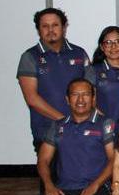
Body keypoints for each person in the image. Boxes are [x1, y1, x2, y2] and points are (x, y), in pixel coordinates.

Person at [17, 8, 90, 149]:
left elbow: (91, 89)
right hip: (48, 134)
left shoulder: (79, 53)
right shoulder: (30, 57)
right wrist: (65, 121)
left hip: (82, 132)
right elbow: (31, 98)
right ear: (38, 30)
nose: (50, 30)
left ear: (64, 27)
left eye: (55, 25)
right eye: (45, 26)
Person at [85, 26, 119, 122]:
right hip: (103, 126)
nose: (113, 46)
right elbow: (88, 102)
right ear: (102, 47)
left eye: (118, 42)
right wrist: (106, 123)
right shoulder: (93, 71)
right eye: (108, 42)